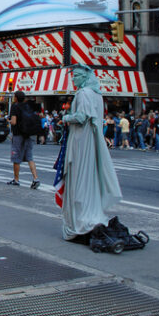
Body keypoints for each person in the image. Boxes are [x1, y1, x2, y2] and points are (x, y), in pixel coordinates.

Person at [60, 64, 123, 241]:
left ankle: (79, 218)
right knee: (89, 177)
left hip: (81, 140)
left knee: (79, 178)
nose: (74, 79)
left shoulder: (83, 93)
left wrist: (65, 118)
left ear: (84, 77)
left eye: (77, 76)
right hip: (91, 139)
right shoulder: (97, 94)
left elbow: (80, 117)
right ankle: (89, 212)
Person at [7, 90, 40, 189]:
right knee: (30, 157)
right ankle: (35, 178)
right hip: (28, 134)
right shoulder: (27, 106)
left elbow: (13, 122)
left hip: (18, 135)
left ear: (16, 98)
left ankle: (16, 180)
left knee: (16, 158)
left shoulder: (15, 106)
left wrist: (7, 120)